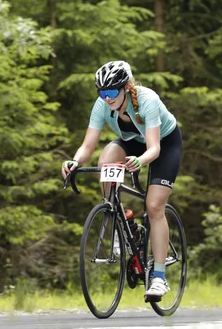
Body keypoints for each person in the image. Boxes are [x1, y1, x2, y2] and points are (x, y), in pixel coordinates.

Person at [61, 60, 183, 299]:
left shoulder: (147, 100)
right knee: (104, 162)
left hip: (164, 144)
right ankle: (119, 218)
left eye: (111, 92)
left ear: (126, 87)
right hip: (132, 141)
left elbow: (154, 149)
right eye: (102, 92)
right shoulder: (102, 105)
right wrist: (74, 161)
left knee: (154, 206)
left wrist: (141, 161)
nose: (106, 98)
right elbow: (88, 144)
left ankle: (158, 277)